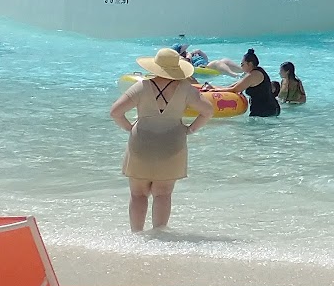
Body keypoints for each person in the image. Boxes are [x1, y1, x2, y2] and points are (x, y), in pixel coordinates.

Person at [111, 48, 218, 234]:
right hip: (172, 145)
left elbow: (115, 112)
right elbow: (208, 111)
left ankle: (136, 236)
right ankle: (159, 237)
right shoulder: (185, 89)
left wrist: (129, 127)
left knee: (138, 195)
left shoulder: (142, 86)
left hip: (141, 144)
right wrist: (190, 129)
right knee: (163, 195)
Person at [222, 49, 280, 117]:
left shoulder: (253, 75)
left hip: (266, 111)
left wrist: (215, 90)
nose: (241, 66)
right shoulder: (256, 71)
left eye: (242, 64)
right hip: (271, 109)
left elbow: (235, 89)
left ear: (249, 64)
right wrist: (216, 88)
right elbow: (233, 86)